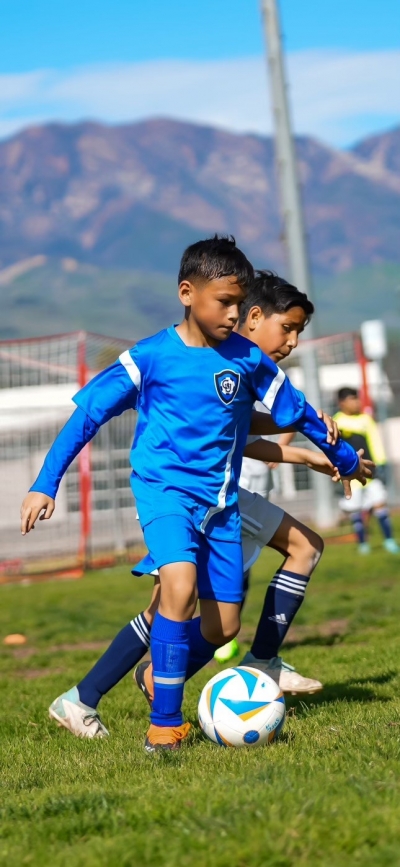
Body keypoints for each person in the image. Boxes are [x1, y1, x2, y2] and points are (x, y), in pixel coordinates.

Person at [21, 239, 368, 753]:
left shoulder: (247, 359)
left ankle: (121, 687)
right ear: (187, 293)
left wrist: (339, 458)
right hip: (165, 493)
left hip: (222, 505)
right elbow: (89, 414)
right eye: (225, 302)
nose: (236, 313)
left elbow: (295, 411)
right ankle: (165, 727)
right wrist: (44, 483)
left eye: (241, 302)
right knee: (177, 588)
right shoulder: (150, 356)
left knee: (224, 626)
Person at [334, 387, 399, 555]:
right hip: (351, 476)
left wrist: (381, 463)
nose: (356, 403)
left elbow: (375, 442)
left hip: (371, 473)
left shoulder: (365, 419)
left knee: (380, 505)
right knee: (356, 511)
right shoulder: (337, 422)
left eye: (357, 399)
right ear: (342, 402)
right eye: (352, 399)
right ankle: (363, 544)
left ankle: (389, 541)